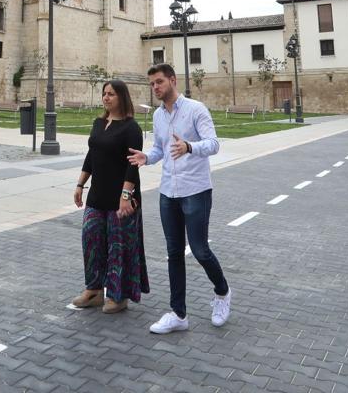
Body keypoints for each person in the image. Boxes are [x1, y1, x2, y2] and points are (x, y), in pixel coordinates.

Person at [128, 63, 231, 333]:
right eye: (151, 84)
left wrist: (189, 147)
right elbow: (159, 148)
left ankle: (222, 292)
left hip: (195, 190)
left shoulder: (196, 109)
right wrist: (146, 158)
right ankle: (179, 314)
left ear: (173, 80)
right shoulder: (159, 116)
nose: (155, 88)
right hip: (167, 193)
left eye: (159, 82)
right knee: (173, 253)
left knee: (199, 250)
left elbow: (214, 144)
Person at [71, 79, 149, 314]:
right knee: (91, 240)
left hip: (120, 197)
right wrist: (80, 184)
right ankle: (94, 290)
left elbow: (132, 165)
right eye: (104, 94)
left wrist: (125, 196)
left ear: (122, 97)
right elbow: (91, 156)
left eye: (112, 94)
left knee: (119, 246)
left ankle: (119, 295)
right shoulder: (99, 123)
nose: (106, 97)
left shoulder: (131, 127)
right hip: (97, 195)